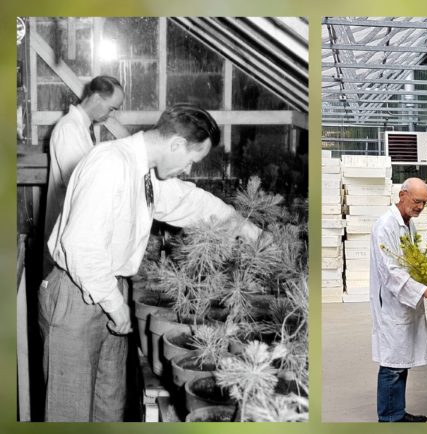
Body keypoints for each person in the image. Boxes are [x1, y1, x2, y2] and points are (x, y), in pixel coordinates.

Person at [42, 103, 263, 421]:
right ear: (176, 144)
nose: (188, 169)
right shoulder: (110, 162)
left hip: (107, 288)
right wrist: (113, 302)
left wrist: (246, 227)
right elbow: (79, 243)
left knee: (109, 406)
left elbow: (189, 201)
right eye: (191, 159)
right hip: (78, 293)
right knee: (71, 412)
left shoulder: (143, 170)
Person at [370, 177, 427, 423]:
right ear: (402, 195)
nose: (419, 207)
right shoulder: (386, 225)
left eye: (424, 203)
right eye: (417, 201)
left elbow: (416, 257)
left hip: (403, 303)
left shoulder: (407, 224)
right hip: (392, 304)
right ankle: (388, 419)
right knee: (392, 364)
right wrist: (424, 291)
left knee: (401, 362)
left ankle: (397, 412)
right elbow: (390, 272)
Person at [45, 75, 124, 252]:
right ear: (96, 98)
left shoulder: (82, 128)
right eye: (111, 108)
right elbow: (78, 183)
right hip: (66, 226)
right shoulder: (69, 128)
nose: (110, 115)